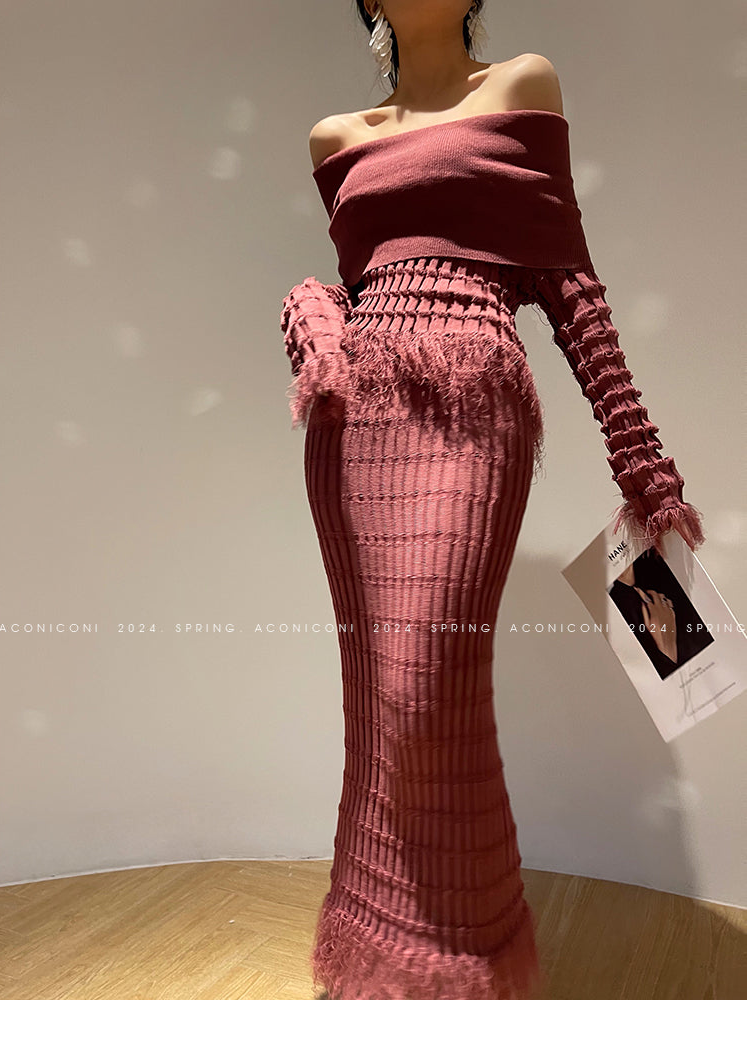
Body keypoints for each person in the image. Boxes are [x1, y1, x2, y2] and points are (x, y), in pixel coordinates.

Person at [279, 0, 706, 1001]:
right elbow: (364, 282)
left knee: (431, 687)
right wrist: (313, 314)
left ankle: (469, 966)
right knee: (379, 699)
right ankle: (380, 958)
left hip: (472, 411)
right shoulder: (335, 138)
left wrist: (641, 461)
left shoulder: (522, 84)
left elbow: (569, 287)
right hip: (355, 435)